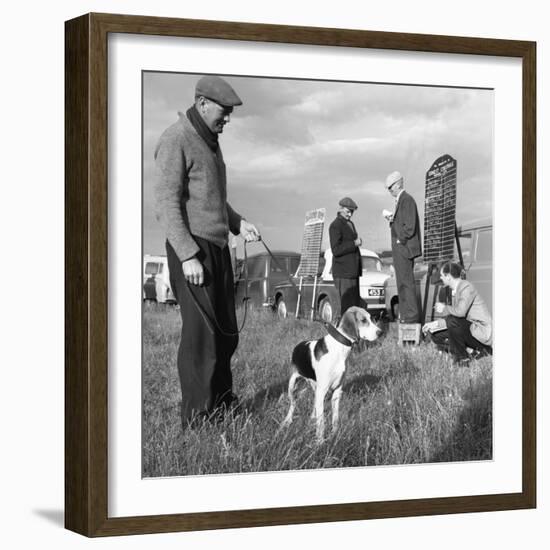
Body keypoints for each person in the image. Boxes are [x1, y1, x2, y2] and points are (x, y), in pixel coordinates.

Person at [154, 75, 260, 427]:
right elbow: (166, 204)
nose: (227, 119)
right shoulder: (176, 138)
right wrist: (186, 255)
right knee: (202, 337)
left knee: (226, 332)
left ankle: (222, 403)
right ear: (202, 103)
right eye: (224, 111)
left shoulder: (211, 141)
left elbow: (213, 199)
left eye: (230, 113)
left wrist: (238, 223)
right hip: (193, 249)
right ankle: (198, 418)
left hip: (217, 247)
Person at [423, 261, 493, 366]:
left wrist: (444, 308)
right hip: (469, 329)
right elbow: (455, 316)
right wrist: (434, 324)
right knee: (436, 335)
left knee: (452, 322)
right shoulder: (456, 290)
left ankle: (462, 359)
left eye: (442, 276)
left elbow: (460, 313)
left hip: (481, 334)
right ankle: (470, 351)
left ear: (448, 277)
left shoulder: (466, 287)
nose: (441, 278)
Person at [383, 171, 422, 323]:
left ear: (398, 184)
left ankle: (411, 319)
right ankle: (405, 317)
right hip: (401, 249)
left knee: (406, 284)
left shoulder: (407, 200)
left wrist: (400, 238)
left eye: (390, 187)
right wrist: (392, 220)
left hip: (404, 249)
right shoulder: (402, 201)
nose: (389, 190)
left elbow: (410, 227)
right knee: (402, 284)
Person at [329, 197, 363, 317]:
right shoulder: (335, 225)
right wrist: (354, 243)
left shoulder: (350, 224)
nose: (350, 214)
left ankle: (353, 333)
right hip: (343, 273)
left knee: (354, 307)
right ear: (341, 209)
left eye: (352, 212)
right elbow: (336, 250)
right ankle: (344, 332)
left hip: (353, 272)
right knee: (346, 308)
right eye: (348, 211)